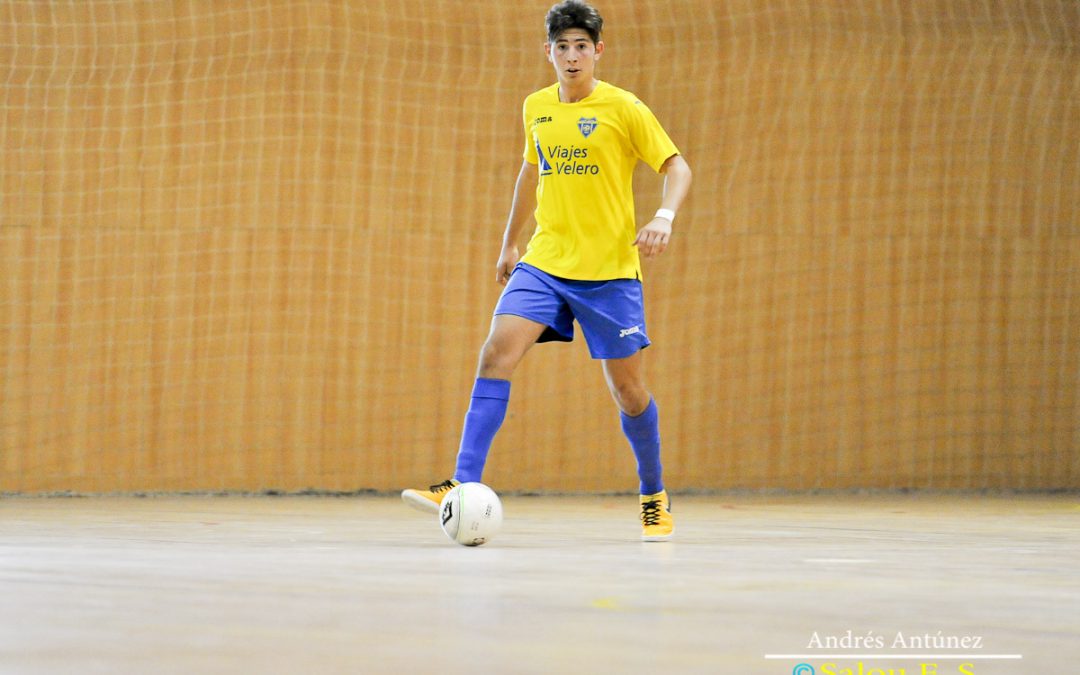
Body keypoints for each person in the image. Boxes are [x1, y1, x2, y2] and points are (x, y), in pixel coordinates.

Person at [402, 0, 692, 541]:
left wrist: (664, 217)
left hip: (608, 273)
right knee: (496, 352)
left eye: (583, 46)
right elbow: (530, 172)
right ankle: (462, 482)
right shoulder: (536, 105)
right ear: (548, 52)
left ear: (598, 51)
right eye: (563, 46)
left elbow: (677, 167)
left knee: (628, 392)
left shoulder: (624, 108)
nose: (573, 55)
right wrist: (510, 242)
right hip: (545, 261)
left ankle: (653, 494)